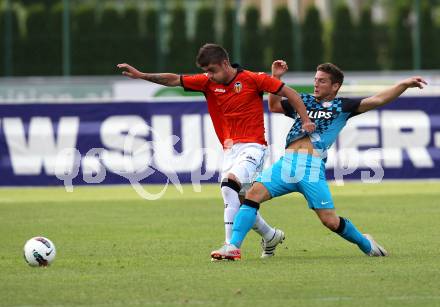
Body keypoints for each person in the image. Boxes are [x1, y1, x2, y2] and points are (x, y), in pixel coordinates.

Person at [210, 60, 427, 260]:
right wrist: (276, 76)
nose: (316, 84)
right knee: (251, 196)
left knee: (330, 221)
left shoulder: (343, 107)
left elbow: (378, 99)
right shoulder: (302, 101)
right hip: (286, 163)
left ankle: (365, 242)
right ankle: (233, 247)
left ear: (335, 86)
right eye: (315, 80)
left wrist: (404, 84)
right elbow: (274, 105)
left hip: (311, 168)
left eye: (322, 81)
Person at [117, 44, 315, 259]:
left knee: (228, 186)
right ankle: (271, 235)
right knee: (239, 203)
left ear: (225, 63)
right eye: (206, 71)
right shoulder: (207, 83)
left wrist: (305, 120)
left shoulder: (253, 79)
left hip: (253, 147)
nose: (208, 75)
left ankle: (231, 246)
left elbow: (291, 94)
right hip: (229, 151)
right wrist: (141, 75)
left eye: (212, 70)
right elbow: (173, 79)